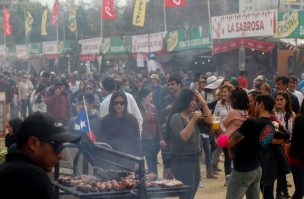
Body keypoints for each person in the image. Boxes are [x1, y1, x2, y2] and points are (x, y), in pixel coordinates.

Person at [0, 112, 81, 199]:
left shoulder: (7, 169)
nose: (60, 155)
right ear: (33, 143)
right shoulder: (35, 179)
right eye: (57, 146)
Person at [226, 94, 286, 199]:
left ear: (261, 104)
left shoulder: (251, 122)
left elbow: (231, 142)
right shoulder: (271, 125)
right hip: (257, 168)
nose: (251, 105)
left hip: (243, 168)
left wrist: (225, 138)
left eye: (254, 102)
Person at [168, 89, 212, 199]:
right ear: (185, 100)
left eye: (195, 100)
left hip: (194, 157)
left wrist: (203, 102)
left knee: (193, 189)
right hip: (182, 160)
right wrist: (193, 120)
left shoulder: (192, 116)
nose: (194, 103)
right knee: (186, 193)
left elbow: (209, 121)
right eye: (192, 100)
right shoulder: (176, 117)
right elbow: (183, 137)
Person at [100, 91, 141, 157]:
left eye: (121, 103)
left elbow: (137, 142)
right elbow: (102, 142)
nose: (118, 105)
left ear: (125, 104)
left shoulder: (132, 120)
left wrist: (138, 159)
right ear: (112, 104)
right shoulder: (105, 121)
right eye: (116, 103)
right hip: (111, 159)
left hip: (129, 158)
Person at [137, 88, 165, 175]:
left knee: (152, 164)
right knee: (139, 164)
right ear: (143, 97)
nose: (151, 98)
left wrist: (161, 138)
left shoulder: (153, 108)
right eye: (150, 96)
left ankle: (154, 179)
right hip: (140, 141)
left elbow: (158, 124)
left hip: (152, 140)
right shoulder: (137, 109)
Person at [288, 100, 304, 199]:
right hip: (298, 160)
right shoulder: (301, 120)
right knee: (300, 191)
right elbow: (299, 144)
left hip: (298, 158)